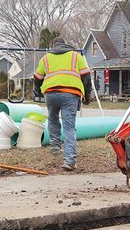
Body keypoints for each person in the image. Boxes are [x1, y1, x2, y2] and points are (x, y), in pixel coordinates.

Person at [33, 36, 92, 171]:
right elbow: (86, 77)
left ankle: (55, 147)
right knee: (69, 127)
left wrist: (38, 92)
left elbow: (37, 78)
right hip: (71, 93)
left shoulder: (46, 58)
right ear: (65, 45)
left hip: (51, 93)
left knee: (53, 119)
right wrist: (87, 96)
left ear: (54, 46)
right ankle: (69, 160)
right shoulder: (76, 56)